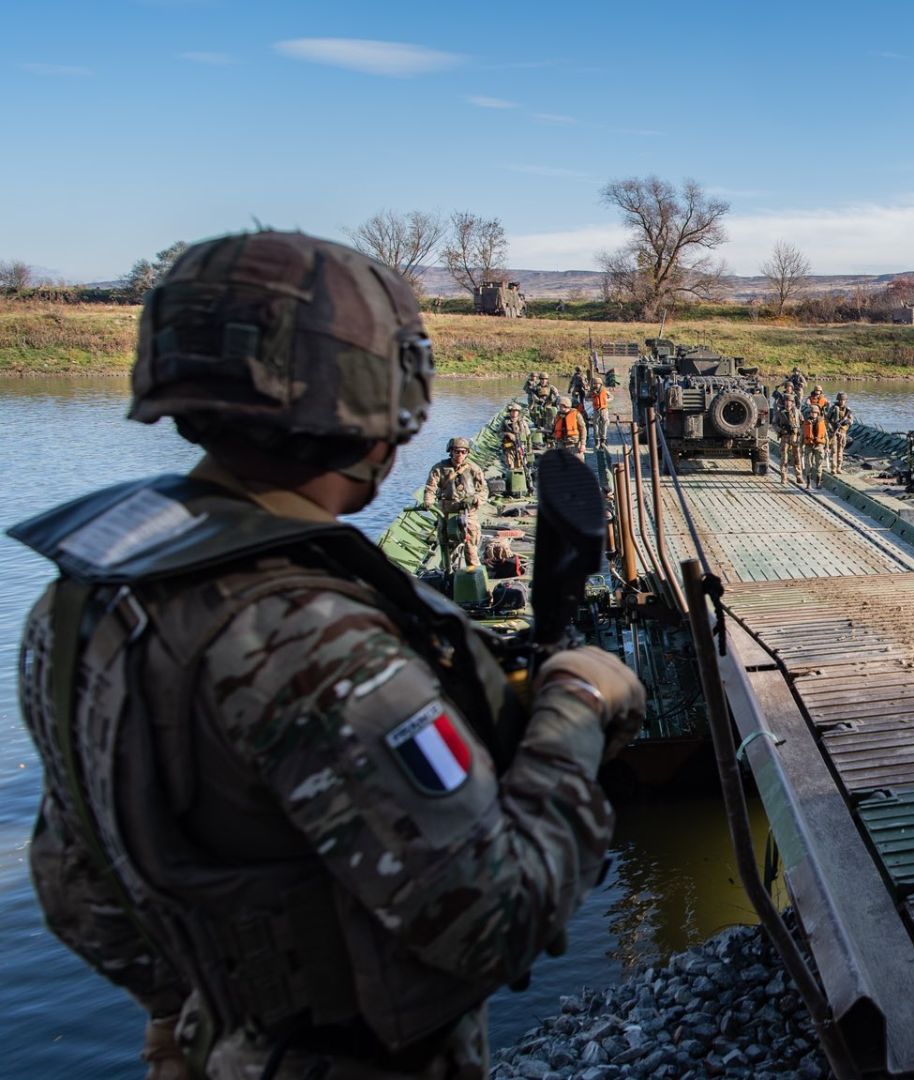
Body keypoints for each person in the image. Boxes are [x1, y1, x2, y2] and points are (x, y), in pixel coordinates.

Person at [7, 231, 644, 1080]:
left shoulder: (84, 598)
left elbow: (76, 885)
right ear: (383, 395)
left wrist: (196, 1009)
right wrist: (580, 707)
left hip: (210, 1041)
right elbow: (499, 919)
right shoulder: (311, 634)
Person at [427, 436, 490, 576]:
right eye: (456, 451)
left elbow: (484, 490)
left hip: (468, 513)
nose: (460, 455)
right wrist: (428, 502)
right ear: (451, 452)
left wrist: (475, 499)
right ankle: (447, 574)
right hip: (446, 512)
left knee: (470, 548)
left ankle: (475, 577)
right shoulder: (439, 468)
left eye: (463, 452)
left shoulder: (473, 469)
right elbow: (430, 488)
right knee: (445, 545)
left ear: (467, 453)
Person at [799, 402, 829, 489]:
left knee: (819, 464)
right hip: (809, 445)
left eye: (815, 413)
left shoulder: (822, 422)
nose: (814, 414)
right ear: (810, 413)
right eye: (812, 412)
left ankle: (818, 483)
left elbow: (826, 436)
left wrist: (827, 447)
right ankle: (808, 483)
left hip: (819, 446)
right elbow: (802, 436)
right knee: (808, 464)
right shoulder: (806, 423)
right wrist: (800, 447)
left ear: (818, 413)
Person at [774, 392, 801, 485]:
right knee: (784, 458)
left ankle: (799, 475)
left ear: (793, 402)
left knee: (797, 457)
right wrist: (780, 430)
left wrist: (799, 431)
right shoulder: (779, 412)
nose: (788, 403)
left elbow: (802, 422)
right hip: (785, 437)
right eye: (786, 401)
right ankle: (784, 476)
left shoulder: (796, 412)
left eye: (790, 401)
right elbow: (774, 424)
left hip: (795, 437)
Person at [825, 392, 855, 475]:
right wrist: (832, 428)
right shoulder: (833, 408)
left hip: (842, 432)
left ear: (845, 401)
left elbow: (851, 421)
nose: (842, 401)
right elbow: (827, 420)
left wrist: (846, 422)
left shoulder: (847, 410)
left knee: (840, 450)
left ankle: (839, 467)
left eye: (843, 400)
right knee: (834, 450)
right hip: (834, 432)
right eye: (840, 400)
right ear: (838, 400)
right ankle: (833, 468)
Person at [499, 403, 530, 476]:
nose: (514, 412)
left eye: (516, 411)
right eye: (513, 411)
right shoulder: (505, 422)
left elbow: (528, 434)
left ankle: (521, 476)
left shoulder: (522, 422)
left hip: (520, 445)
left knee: (521, 463)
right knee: (510, 464)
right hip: (509, 445)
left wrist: (528, 447)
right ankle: (511, 475)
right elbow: (499, 433)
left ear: (518, 412)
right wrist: (507, 434)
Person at [588, 379, 612, 451]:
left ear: (600, 384)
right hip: (596, 410)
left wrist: (606, 400)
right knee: (596, 425)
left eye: (597, 384)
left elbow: (611, 397)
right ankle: (597, 442)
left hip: (604, 410)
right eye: (594, 384)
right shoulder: (591, 391)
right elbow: (586, 398)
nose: (596, 385)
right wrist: (591, 399)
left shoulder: (605, 390)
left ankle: (603, 440)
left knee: (604, 424)